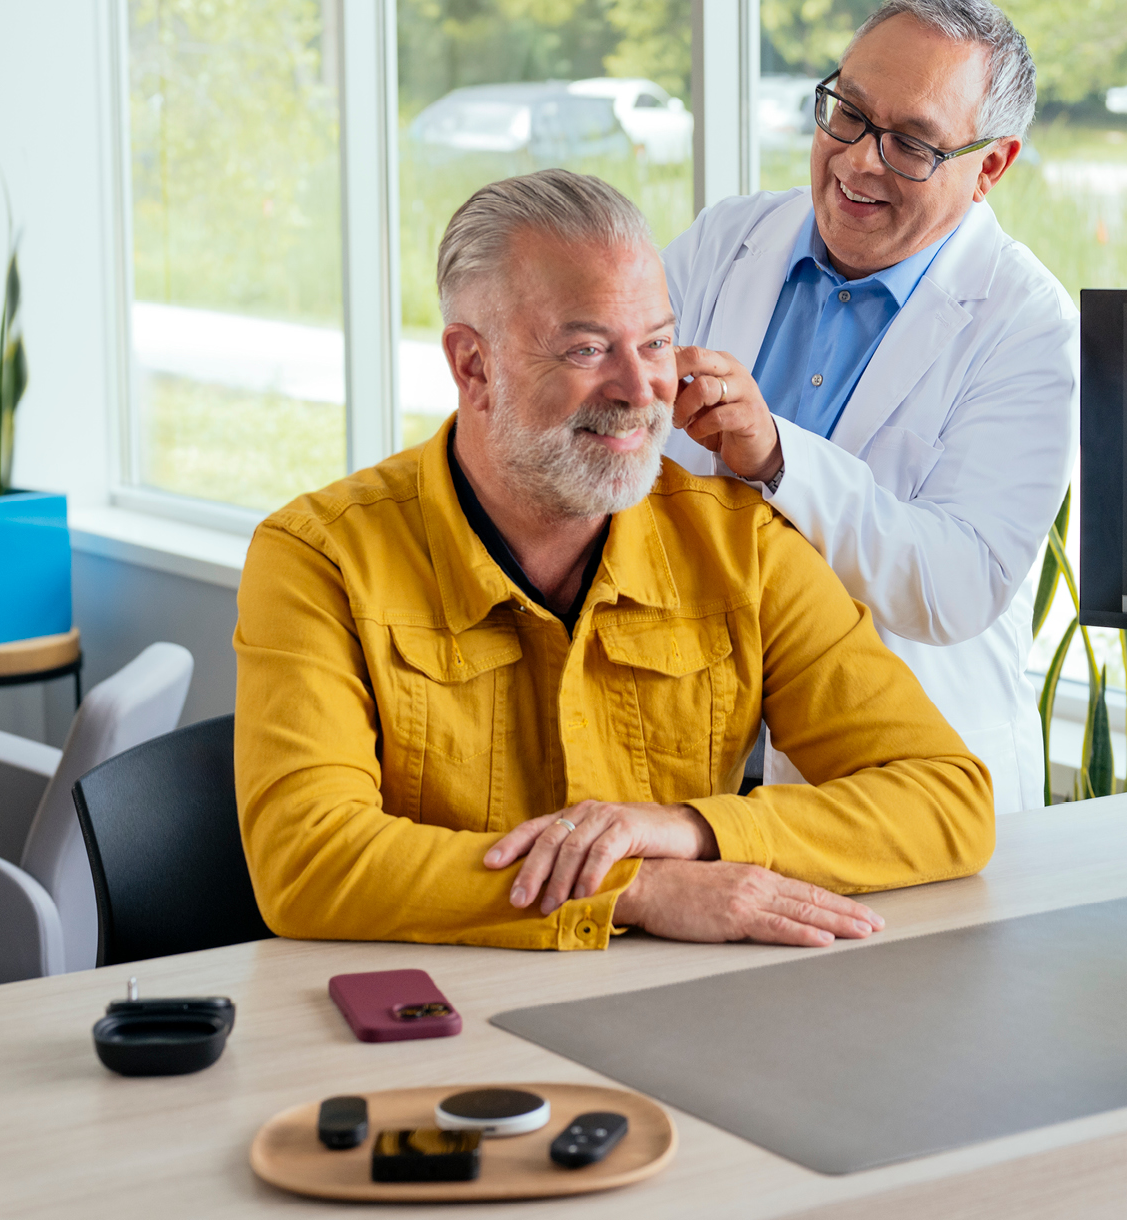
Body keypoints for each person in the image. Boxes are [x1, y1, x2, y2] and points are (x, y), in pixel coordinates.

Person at [232, 169, 993, 952]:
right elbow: (307, 858)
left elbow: (947, 801)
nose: (641, 389)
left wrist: (687, 831)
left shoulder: (745, 547)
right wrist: (636, 888)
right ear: (473, 366)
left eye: (658, 341)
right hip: (435, 1024)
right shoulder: (316, 557)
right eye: (588, 348)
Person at [664, 0, 1072, 812]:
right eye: (847, 114)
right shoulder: (727, 240)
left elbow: (960, 581)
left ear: (990, 167)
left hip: (889, 781)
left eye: (912, 144)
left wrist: (775, 457)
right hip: (690, 756)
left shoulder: (1028, 325)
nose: (859, 161)